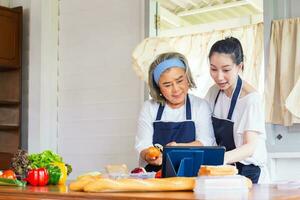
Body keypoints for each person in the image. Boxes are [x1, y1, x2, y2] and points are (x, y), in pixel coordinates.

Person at [135, 52, 215, 172]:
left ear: (187, 78)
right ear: (158, 88)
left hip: (192, 173)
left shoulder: (200, 106)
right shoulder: (149, 108)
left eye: (179, 81)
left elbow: (206, 142)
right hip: (155, 175)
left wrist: (178, 149)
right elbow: (143, 145)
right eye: (167, 85)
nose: (176, 89)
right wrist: (149, 156)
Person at [205, 37, 268, 183]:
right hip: (224, 169)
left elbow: (249, 147)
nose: (219, 77)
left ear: (239, 67)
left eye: (226, 70)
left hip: (249, 172)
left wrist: (217, 159)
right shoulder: (213, 92)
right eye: (213, 69)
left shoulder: (250, 99)